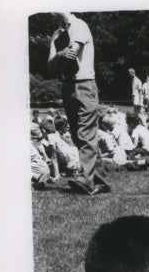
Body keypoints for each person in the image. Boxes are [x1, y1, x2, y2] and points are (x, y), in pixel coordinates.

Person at [47, 12, 110, 196]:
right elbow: (51, 67)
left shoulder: (79, 25)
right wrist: (59, 53)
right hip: (67, 86)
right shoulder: (56, 34)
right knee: (78, 135)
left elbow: (71, 55)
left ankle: (86, 179)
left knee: (85, 132)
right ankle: (101, 181)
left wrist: (59, 58)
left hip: (84, 83)